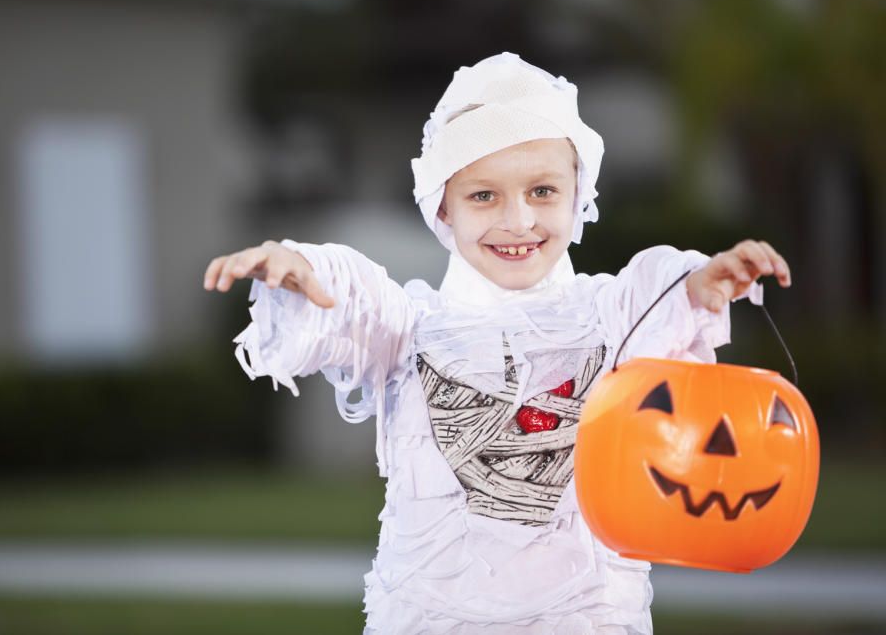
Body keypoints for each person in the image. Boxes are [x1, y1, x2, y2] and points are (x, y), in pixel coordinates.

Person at [203, 52, 791, 634]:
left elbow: (661, 297)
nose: (517, 221)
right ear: (443, 207)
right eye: (483, 196)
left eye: (541, 191)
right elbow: (356, 296)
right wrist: (302, 268)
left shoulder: (609, 316)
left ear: (576, 193)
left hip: (583, 618)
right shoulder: (412, 327)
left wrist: (702, 282)